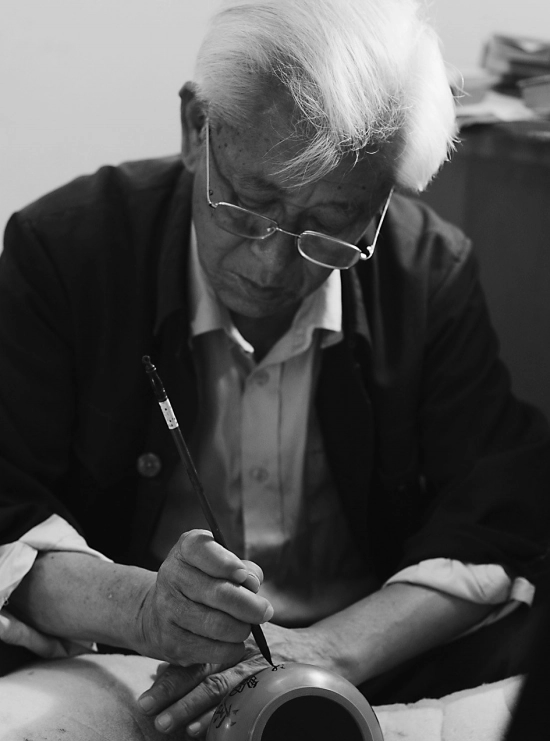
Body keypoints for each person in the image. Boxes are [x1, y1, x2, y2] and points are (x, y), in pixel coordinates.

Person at [1, 0, 550, 737]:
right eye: (248, 207)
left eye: (330, 229)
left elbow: (494, 517)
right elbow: (7, 503)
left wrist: (326, 651)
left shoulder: (427, 273)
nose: (270, 267)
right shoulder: (67, 252)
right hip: (140, 668)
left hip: (367, 668)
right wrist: (142, 608)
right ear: (196, 128)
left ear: (381, 202)